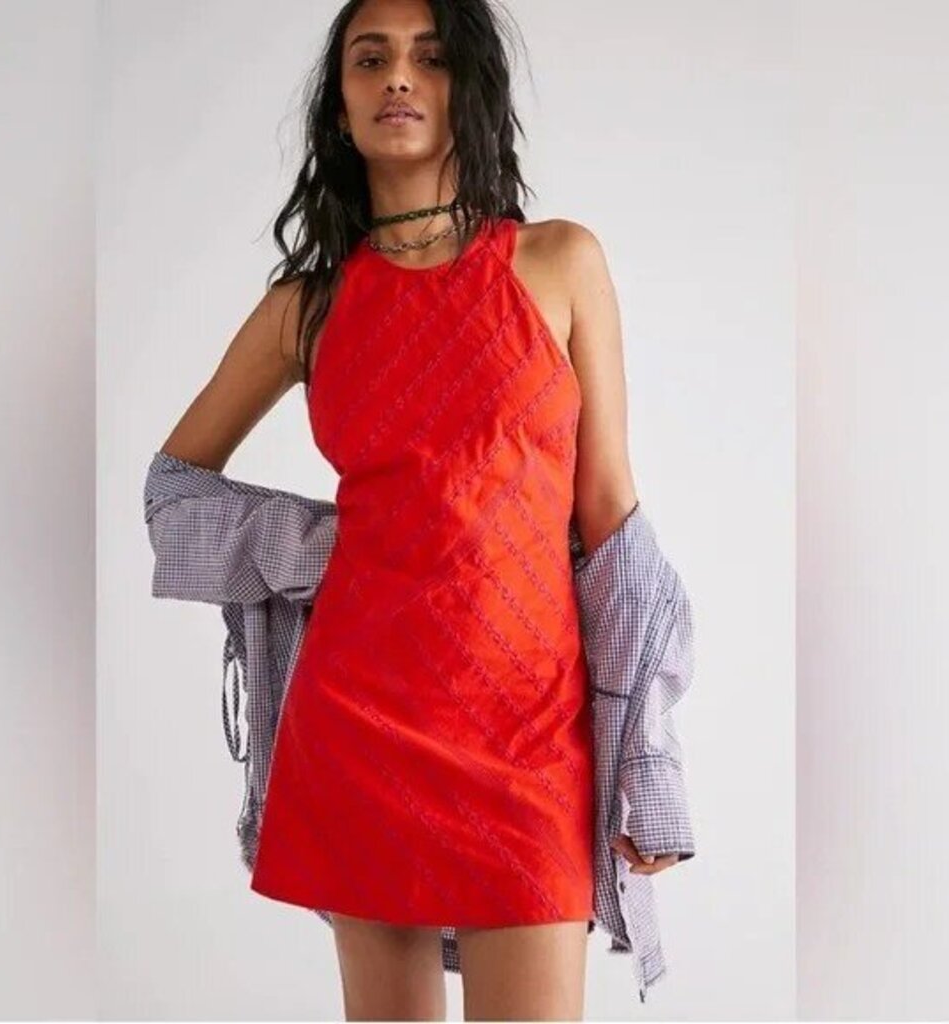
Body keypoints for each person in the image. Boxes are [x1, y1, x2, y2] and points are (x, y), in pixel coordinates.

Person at [156, 0, 682, 1018]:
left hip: (532, 734)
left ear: (465, 87)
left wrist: (649, 763)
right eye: (371, 59)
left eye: (429, 57)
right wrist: (319, 547)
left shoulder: (558, 262)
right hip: (360, 728)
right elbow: (175, 485)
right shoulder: (307, 308)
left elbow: (613, 523)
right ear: (340, 103)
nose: (398, 77)